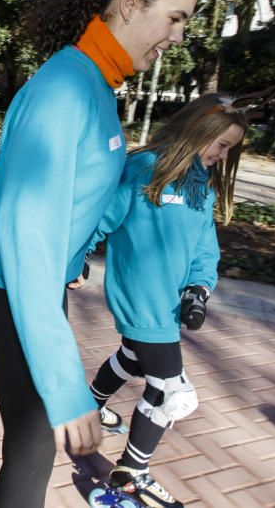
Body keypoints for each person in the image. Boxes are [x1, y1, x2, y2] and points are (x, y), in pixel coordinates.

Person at [0, 0, 201, 506]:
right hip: (12, 283)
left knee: (34, 441)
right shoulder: (67, 90)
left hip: (35, 278)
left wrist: (74, 255)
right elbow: (27, 239)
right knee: (37, 443)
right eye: (174, 18)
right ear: (128, 3)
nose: (178, 37)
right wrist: (70, 388)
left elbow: (72, 197)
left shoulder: (96, 83)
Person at [85, 94, 247, 508]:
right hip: (141, 302)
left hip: (168, 305)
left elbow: (204, 250)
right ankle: (129, 477)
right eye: (220, 144)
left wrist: (199, 289)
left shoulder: (200, 188)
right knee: (173, 393)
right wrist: (77, 257)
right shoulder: (143, 170)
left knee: (133, 358)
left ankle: (89, 406)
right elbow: (100, 219)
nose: (222, 155)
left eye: (229, 149)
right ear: (198, 129)